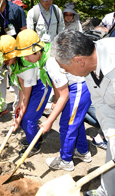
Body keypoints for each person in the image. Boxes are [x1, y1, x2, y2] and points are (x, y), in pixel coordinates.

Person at [50, 29, 115, 196]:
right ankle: (106, 193)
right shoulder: (88, 68)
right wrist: (114, 135)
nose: (65, 73)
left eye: (65, 69)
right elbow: (101, 103)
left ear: (78, 60)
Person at [15, 29, 92, 170]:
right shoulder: (45, 55)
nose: (25, 59)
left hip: (78, 87)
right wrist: (56, 101)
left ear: (36, 50)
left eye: (26, 56)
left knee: (67, 124)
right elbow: (58, 85)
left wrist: (49, 120)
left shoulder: (49, 62)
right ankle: (82, 151)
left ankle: (66, 161)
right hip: (72, 87)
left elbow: (64, 94)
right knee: (76, 121)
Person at [0, 32, 49, 157]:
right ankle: (35, 137)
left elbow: (26, 93)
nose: (3, 61)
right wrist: (19, 105)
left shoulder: (27, 65)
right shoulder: (14, 63)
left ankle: (34, 146)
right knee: (22, 112)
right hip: (28, 86)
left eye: (5, 57)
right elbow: (21, 86)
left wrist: (20, 116)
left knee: (27, 118)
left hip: (41, 88)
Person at [27, 0, 65, 115]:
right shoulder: (33, 13)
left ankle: (51, 102)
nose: (48, 2)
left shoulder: (57, 11)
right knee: (41, 77)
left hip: (54, 49)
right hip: (39, 51)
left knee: (54, 75)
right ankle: (42, 102)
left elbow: (61, 31)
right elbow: (30, 35)